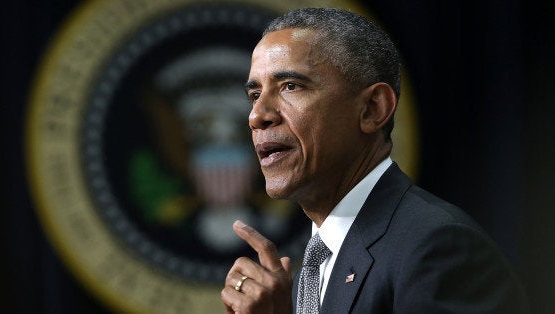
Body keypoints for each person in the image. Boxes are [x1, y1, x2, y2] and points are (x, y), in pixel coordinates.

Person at [220, 7, 529, 314]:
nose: (257, 116)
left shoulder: (439, 249)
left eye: (291, 86)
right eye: (255, 95)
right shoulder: (310, 273)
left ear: (373, 109)